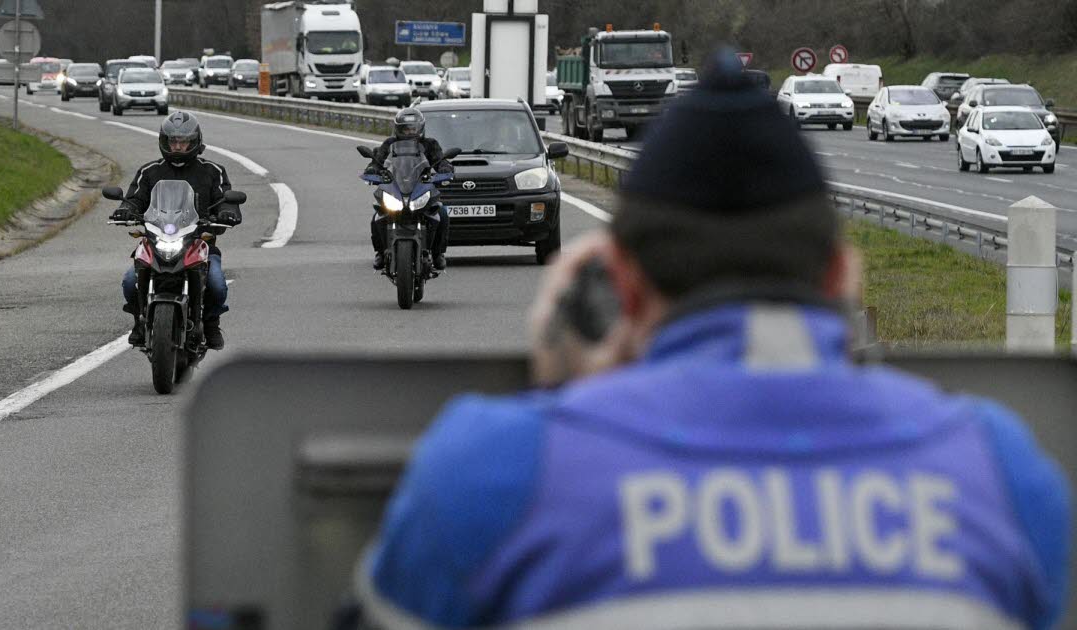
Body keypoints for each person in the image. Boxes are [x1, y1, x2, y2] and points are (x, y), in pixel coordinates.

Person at [348, 51, 1070, 629]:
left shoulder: (489, 468)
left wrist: (561, 398)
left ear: (622, 284)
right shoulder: (1002, 473)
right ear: (842, 277)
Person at [111, 111, 242, 350]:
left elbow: (226, 199)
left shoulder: (214, 171)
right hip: (157, 241)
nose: (178, 146)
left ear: (195, 142)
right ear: (164, 141)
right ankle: (139, 322)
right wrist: (125, 209)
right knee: (131, 281)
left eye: (183, 142)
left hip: (199, 242)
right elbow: (134, 199)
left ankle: (211, 323)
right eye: (173, 141)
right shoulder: (149, 172)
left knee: (216, 284)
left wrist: (227, 211)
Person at [365, 107, 454, 271]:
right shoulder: (389, 144)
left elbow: (440, 160)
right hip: (396, 187)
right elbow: (377, 161)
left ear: (420, 128)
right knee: (378, 215)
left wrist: (445, 169)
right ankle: (380, 252)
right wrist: (372, 170)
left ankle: (438, 254)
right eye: (406, 128)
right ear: (398, 129)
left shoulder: (430, 144)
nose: (410, 132)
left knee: (442, 213)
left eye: (413, 128)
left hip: (421, 186)